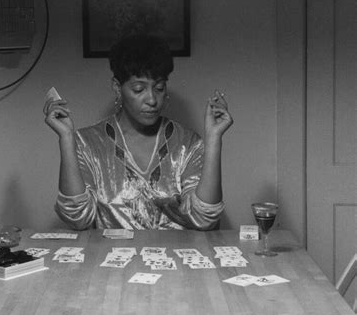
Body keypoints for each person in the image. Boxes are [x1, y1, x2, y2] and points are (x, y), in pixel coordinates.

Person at [43, 34, 233, 230]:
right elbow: (77, 219)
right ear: (117, 87)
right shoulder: (87, 142)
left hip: (173, 259)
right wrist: (66, 138)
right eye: (139, 89)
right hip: (106, 258)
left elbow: (204, 220)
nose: (152, 99)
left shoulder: (187, 143)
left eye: (159, 88)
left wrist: (214, 139)